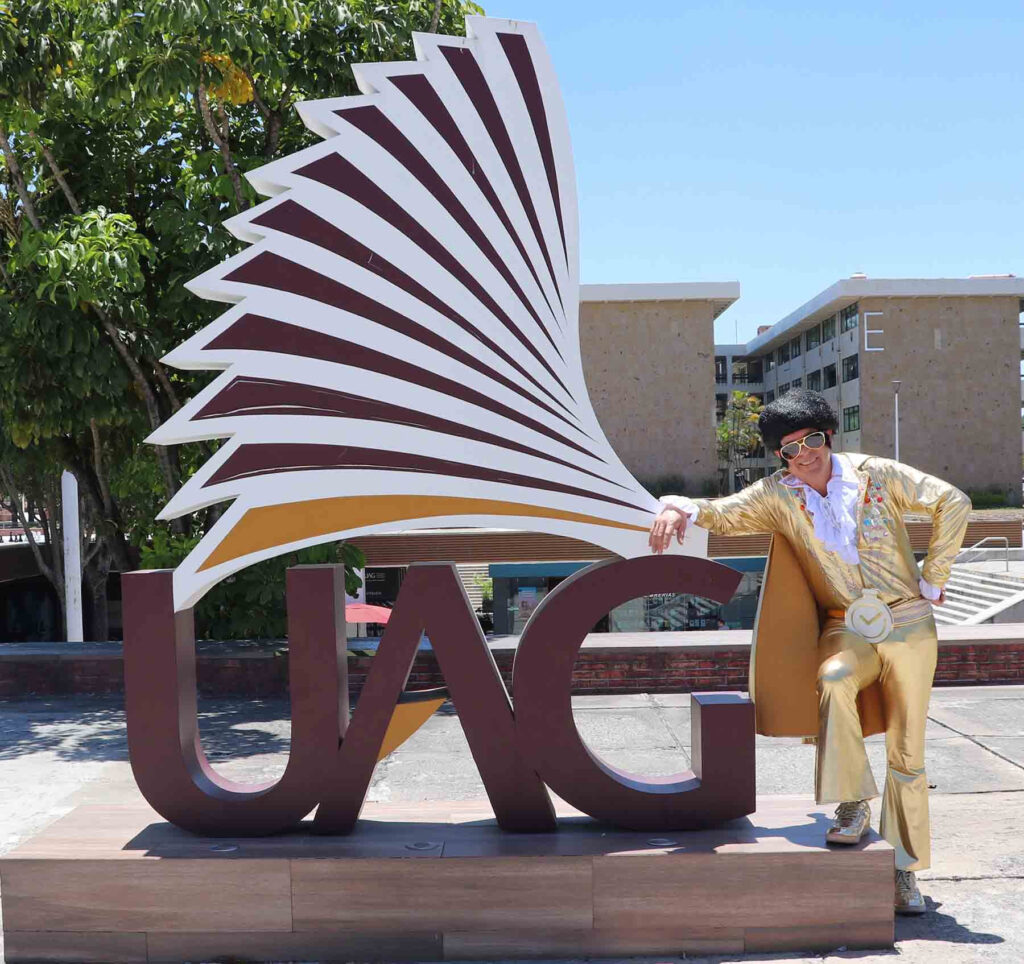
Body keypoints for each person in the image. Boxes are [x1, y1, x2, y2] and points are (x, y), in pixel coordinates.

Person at [648, 389, 970, 915]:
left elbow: (952, 501)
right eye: (790, 447)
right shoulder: (778, 494)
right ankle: (852, 803)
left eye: (813, 439)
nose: (804, 453)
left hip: (910, 624)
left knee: (907, 757)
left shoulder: (877, 474)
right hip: (848, 625)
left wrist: (934, 577)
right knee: (835, 676)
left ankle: (904, 872)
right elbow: (721, 514)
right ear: (780, 454)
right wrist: (674, 504)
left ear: (828, 435)